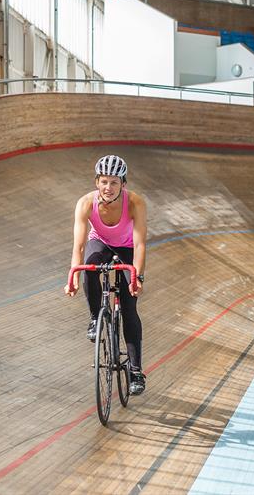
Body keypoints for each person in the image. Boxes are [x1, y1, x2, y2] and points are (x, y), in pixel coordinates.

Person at [64, 155, 148, 395]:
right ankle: (95, 318)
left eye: (114, 182)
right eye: (104, 182)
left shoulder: (135, 203)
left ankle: (136, 371)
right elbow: (78, 247)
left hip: (127, 247)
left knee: (130, 308)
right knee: (89, 267)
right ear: (96, 182)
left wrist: (137, 277)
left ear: (123, 183)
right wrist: (73, 276)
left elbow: (141, 244)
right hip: (99, 243)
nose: (108, 188)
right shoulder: (85, 204)